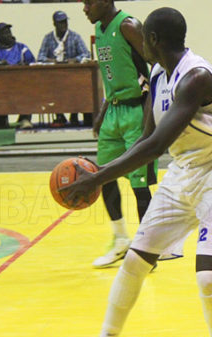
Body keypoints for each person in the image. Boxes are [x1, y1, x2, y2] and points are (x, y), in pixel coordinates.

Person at [63, 6, 212, 337]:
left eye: (143, 38)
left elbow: (157, 145)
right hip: (182, 172)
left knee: (208, 278)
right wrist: (102, 172)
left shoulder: (196, 77)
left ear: (153, 39)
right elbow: (147, 139)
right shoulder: (160, 73)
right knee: (134, 263)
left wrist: (97, 178)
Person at [82, 0, 158, 269]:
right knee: (104, 176)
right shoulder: (101, 30)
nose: (85, 9)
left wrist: (152, 115)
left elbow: (155, 69)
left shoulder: (128, 26)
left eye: (88, 3)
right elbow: (113, 76)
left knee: (139, 186)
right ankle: (120, 241)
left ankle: (148, 253)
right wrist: (103, 110)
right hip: (113, 112)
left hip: (136, 112)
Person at [38, 10, 92, 127]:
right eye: (60, 22)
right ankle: (59, 115)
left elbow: (86, 54)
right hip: (54, 78)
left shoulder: (75, 37)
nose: (63, 25)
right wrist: (52, 61)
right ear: (54, 24)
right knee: (52, 86)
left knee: (78, 85)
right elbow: (40, 57)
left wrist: (74, 60)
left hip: (73, 76)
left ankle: (75, 113)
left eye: (65, 22)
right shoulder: (48, 38)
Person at [0, 22, 36, 129]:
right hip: (1, 85)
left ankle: (25, 119)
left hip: (21, 84)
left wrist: (24, 65)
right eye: (5, 33)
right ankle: (1, 121)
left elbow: (33, 63)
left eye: (9, 31)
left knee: (30, 89)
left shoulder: (22, 48)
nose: (8, 34)